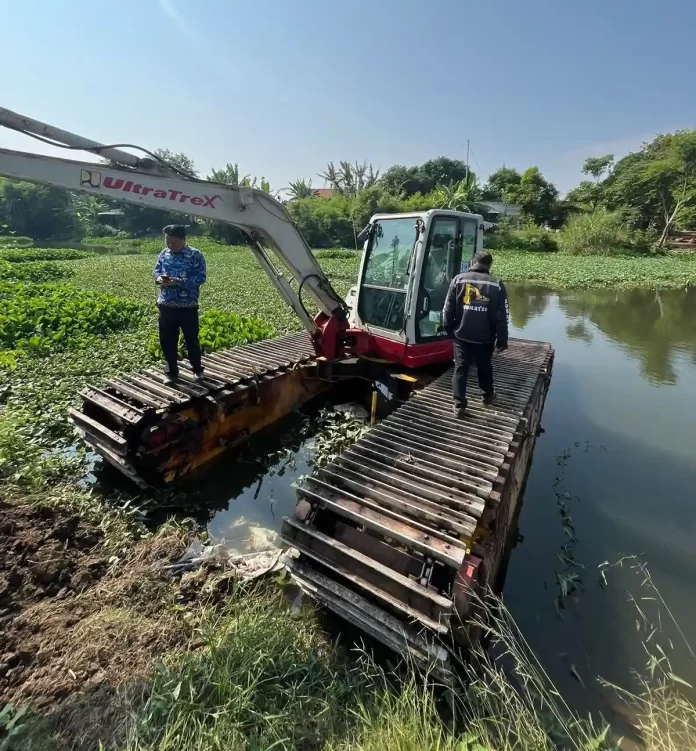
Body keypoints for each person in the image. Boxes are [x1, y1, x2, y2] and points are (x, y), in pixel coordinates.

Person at [443, 250, 509, 417]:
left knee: (461, 368)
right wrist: (502, 340)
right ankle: (487, 396)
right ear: (489, 265)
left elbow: (447, 309)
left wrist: (448, 329)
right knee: (484, 367)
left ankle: (459, 405)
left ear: (473, 262)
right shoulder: (497, 284)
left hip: (461, 335)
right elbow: (503, 316)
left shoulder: (458, 280)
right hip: (485, 338)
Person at [153, 225, 207, 384]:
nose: (170, 245)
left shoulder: (195, 255)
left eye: (174, 242)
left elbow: (201, 278)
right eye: (167, 242)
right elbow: (156, 272)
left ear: (183, 240)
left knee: (191, 339)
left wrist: (178, 282)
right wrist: (159, 279)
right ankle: (171, 372)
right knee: (167, 340)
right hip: (166, 305)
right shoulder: (164, 253)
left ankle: (197, 369)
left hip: (187, 306)